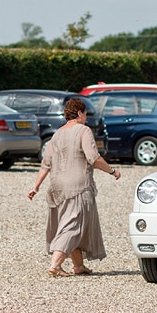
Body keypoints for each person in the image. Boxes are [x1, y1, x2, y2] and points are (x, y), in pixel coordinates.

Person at [26, 97, 121, 277]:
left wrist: (36, 187)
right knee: (73, 226)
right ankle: (55, 264)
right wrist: (112, 171)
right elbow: (93, 158)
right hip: (78, 186)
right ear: (79, 113)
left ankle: (79, 266)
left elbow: (46, 164)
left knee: (71, 222)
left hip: (57, 187)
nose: (86, 117)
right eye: (85, 114)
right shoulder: (83, 130)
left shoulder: (57, 134)